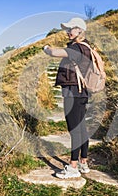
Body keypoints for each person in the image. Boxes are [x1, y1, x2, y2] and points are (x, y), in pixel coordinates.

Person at [43, 17, 91, 179]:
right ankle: (83, 162)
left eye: (71, 29)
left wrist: (46, 48)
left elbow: (54, 53)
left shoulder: (78, 48)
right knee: (81, 128)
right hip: (81, 92)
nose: (68, 32)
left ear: (80, 31)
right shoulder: (86, 47)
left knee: (74, 129)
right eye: (67, 29)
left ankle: (73, 166)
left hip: (73, 91)